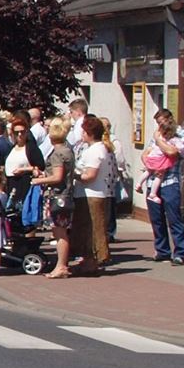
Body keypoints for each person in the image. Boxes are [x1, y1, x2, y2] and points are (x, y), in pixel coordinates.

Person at [141, 109, 184, 264]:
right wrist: (151, 164)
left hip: (170, 181)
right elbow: (146, 153)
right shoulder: (156, 134)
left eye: (162, 121)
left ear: (170, 119)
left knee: (174, 218)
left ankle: (179, 252)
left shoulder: (182, 135)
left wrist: (158, 140)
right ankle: (162, 251)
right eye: (157, 122)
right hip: (153, 179)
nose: (160, 125)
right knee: (157, 219)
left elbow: (172, 152)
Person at [38, 117, 80, 279]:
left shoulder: (58, 153)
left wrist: (39, 180)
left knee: (59, 232)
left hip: (58, 196)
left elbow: (57, 177)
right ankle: (61, 265)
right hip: (66, 195)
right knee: (61, 231)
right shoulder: (68, 150)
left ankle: (62, 265)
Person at [74, 114, 117, 272]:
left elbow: (90, 175)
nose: (81, 134)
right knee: (86, 228)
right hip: (88, 194)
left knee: (93, 228)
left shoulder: (96, 151)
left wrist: (74, 175)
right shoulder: (93, 149)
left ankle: (95, 260)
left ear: (89, 133)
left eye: (84, 131)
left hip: (93, 194)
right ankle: (88, 259)